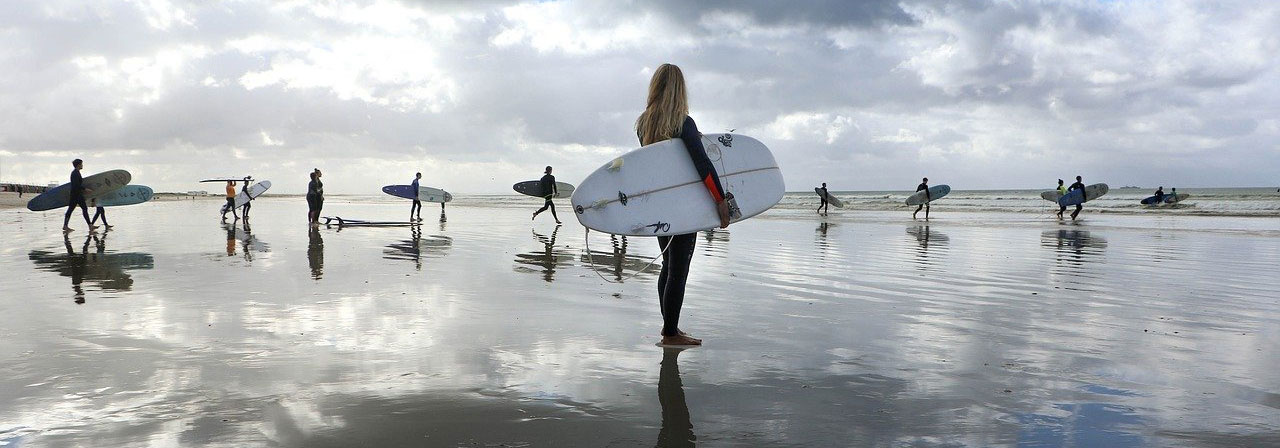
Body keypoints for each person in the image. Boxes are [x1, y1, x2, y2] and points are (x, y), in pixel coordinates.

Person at [636, 63, 731, 347]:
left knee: (669, 265)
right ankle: (670, 332)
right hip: (684, 209)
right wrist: (721, 200)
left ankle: (669, 327)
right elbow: (702, 165)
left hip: (659, 207)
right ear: (680, 89)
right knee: (679, 270)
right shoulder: (683, 122)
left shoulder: (644, 124)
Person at [62, 159, 96, 233]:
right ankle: (65, 226)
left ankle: (90, 225)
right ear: (78, 165)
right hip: (75, 195)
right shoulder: (75, 173)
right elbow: (75, 185)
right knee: (72, 210)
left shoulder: (77, 172)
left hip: (77, 194)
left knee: (83, 209)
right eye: (81, 164)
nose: (82, 165)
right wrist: (85, 189)